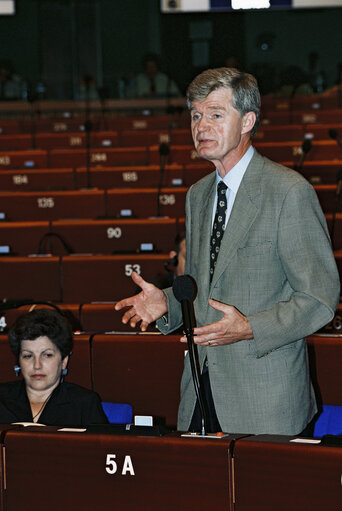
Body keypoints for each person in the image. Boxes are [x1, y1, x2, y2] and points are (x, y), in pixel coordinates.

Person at [115, 67, 340, 436]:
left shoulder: (288, 192)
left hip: (266, 399)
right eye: (196, 115)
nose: (202, 126)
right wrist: (169, 304)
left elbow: (319, 298)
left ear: (248, 120)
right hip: (201, 392)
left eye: (216, 115)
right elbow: (209, 288)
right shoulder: (198, 195)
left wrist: (250, 328)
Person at [0, 308, 108, 427]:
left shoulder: (84, 403)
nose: (37, 365)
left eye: (47, 355)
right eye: (28, 356)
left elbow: (102, 444)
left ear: (63, 361)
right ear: (19, 361)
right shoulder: (2, 399)